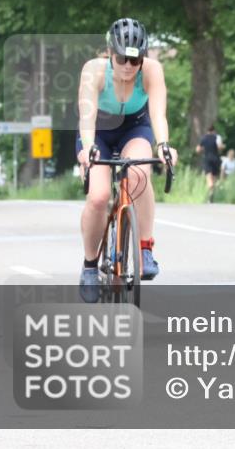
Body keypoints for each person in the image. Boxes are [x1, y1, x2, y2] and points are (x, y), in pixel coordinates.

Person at [76, 18, 175, 302]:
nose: (129, 66)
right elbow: (86, 117)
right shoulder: (93, 71)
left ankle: (144, 249)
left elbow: (158, 114)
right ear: (110, 53)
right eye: (122, 58)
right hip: (98, 132)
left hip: (135, 128)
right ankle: (90, 265)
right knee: (99, 196)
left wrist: (164, 145)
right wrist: (89, 147)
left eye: (136, 60)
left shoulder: (152, 70)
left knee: (139, 174)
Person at [196, 124, 223, 201]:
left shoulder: (204, 138)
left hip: (207, 158)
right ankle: (212, 191)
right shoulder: (217, 137)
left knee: (208, 176)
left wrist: (204, 150)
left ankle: (210, 186)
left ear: (207, 131)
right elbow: (219, 147)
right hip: (215, 158)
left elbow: (197, 149)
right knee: (214, 177)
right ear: (214, 130)